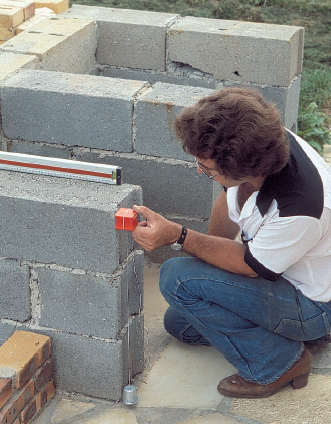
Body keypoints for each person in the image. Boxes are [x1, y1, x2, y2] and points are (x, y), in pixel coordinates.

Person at [132, 87, 331, 398]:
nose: (200, 170)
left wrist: (177, 236)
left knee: (177, 278)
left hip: (314, 302)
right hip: (280, 276)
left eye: (207, 169)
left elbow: (249, 266)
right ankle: (284, 336)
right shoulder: (262, 143)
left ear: (242, 169)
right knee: (179, 323)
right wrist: (205, 264)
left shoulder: (301, 205)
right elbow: (228, 199)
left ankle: (281, 363)